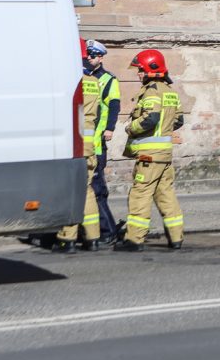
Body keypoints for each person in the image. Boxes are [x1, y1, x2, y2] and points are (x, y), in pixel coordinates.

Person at [115, 49, 184, 252]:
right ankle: (176, 238)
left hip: (149, 155)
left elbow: (151, 118)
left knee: (140, 194)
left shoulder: (151, 91)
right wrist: (164, 129)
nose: (138, 74)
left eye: (140, 70)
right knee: (166, 195)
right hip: (164, 154)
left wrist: (131, 127)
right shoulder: (170, 92)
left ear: (151, 70)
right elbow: (179, 120)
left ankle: (134, 240)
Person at [53, 38, 101, 253]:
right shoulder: (93, 81)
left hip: (73, 144)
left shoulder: (71, 81)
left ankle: (67, 239)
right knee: (87, 190)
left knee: (70, 191)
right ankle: (93, 238)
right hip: (89, 144)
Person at [85, 39, 124, 244]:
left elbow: (114, 106)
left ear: (100, 57)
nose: (89, 58)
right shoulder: (83, 76)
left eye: (92, 55)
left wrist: (110, 128)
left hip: (97, 141)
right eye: (87, 55)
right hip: (86, 141)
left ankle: (108, 232)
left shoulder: (108, 80)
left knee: (97, 189)